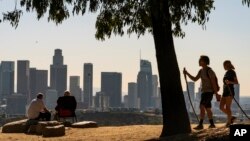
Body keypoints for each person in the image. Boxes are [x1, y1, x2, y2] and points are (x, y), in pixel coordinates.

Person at [183, 55, 220, 130]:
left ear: (204, 62)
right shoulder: (201, 71)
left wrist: (216, 94)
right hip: (204, 92)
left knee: (201, 106)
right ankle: (212, 124)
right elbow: (195, 79)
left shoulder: (209, 71)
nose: (199, 61)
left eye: (200, 60)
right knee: (208, 108)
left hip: (208, 92)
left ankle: (200, 124)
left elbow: (213, 82)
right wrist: (187, 73)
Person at [220, 60, 238, 127]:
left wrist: (230, 82)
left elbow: (236, 82)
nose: (223, 67)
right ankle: (231, 117)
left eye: (224, 65)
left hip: (230, 92)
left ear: (227, 65)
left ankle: (229, 122)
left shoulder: (232, 72)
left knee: (227, 107)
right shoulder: (226, 72)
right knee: (221, 107)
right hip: (225, 92)